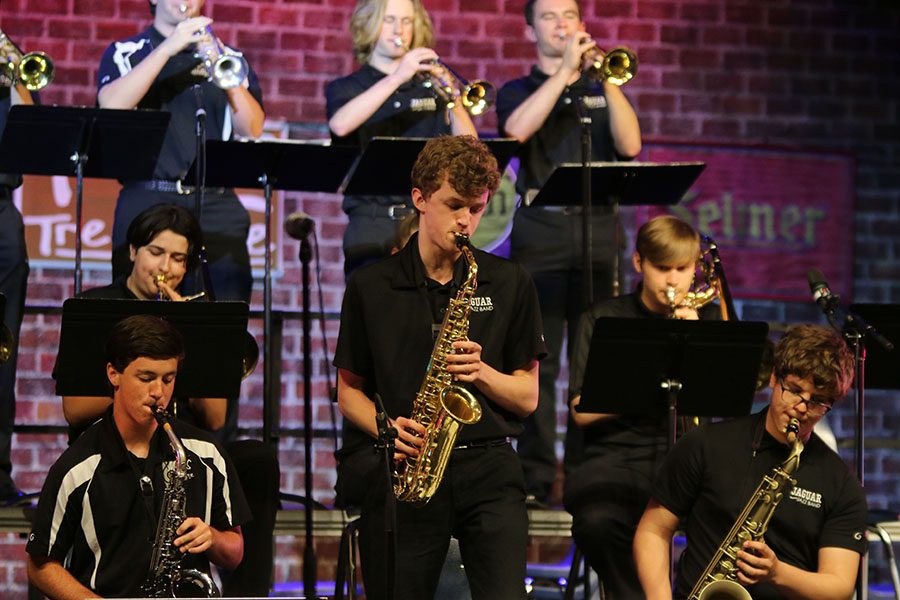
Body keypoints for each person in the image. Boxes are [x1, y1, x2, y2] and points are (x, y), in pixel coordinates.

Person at [333, 135, 545, 599]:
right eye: (454, 206)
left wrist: (483, 373)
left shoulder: (510, 281)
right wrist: (388, 428)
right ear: (420, 198)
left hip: (488, 462)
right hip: (407, 462)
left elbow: (527, 398)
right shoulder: (372, 286)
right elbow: (347, 392)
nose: (466, 221)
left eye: (477, 208)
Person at [59, 203, 279, 597]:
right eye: (156, 253)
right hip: (116, 444)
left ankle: (249, 593)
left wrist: (188, 335)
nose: (167, 266)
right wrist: (136, 389)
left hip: (180, 446)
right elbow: (74, 409)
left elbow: (214, 418)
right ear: (132, 252)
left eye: (179, 258)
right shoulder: (99, 305)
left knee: (258, 461)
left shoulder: (195, 315)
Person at [496, 0, 643, 506]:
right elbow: (515, 132)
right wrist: (561, 74)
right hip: (542, 236)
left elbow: (630, 146)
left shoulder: (602, 85)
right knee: (541, 363)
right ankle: (535, 480)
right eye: (550, 17)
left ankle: (586, 476)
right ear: (530, 28)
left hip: (599, 238)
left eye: (570, 15)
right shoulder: (518, 89)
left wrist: (608, 83)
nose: (563, 25)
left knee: (594, 367)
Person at [634, 324, 866, 600]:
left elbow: (839, 586)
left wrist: (777, 572)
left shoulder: (841, 483)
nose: (801, 408)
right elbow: (653, 530)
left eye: (817, 402)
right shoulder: (706, 443)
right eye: (793, 390)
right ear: (773, 378)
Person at [27, 314, 250, 599]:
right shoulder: (77, 466)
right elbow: (40, 565)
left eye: (168, 379)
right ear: (113, 374)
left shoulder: (206, 454)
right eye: (146, 378)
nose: (159, 392)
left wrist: (213, 538)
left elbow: (235, 553)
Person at [562, 215, 720, 598]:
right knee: (598, 523)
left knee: (731, 523)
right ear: (639, 264)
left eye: (682, 269)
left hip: (688, 454)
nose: (673, 280)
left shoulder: (708, 317)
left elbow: (724, 399)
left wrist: (698, 341)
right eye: (662, 268)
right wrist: (653, 377)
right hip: (615, 457)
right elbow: (582, 410)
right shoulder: (603, 318)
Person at [97, 0, 265, 302]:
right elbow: (112, 105)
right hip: (149, 195)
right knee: (136, 317)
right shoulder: (127, 52)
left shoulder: (231, 57)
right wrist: (167, 49)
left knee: (222, 311)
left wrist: (221, 68)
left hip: (216, 201)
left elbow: (251, 128)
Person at [326, 0, 478, 274]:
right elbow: (340, 125)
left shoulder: (431, 88)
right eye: (390, 20)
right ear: (369, 25)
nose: (400, 29)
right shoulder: (346, 88)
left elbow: (471, 147)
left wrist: (454, 100)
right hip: (371, 222)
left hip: (425, 221)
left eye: (407, 21)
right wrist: (397, 77)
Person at [0, 45, 35, 503]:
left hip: (1, 208)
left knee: (2, 347)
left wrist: (13, 75)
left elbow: (29, 136)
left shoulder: (8, 67)